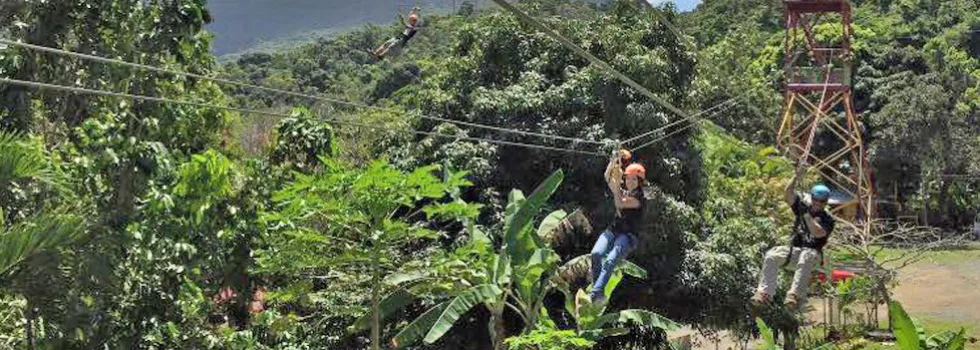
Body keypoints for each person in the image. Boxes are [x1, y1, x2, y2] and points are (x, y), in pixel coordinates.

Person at [752, 166, 835, 311]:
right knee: (772, 255)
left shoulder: (828, 219)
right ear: (812, 197)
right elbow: (788, 194)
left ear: (825, 202)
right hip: (795, 252)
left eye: (821, 201)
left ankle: (794, 295)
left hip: (813, 257)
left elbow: (818, 233)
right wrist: (796, 176)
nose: (817, 203)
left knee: (807, 255)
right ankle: (765, 293)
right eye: (815, 199)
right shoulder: (803, 207)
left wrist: (807, 216)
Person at [589, 154, 647, 306]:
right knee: (596, 254)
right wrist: (613, 162)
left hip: (627, 236)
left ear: (640, 182)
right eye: (628, 178)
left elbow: (620, 203)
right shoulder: (623, 191)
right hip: (613, 231)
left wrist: (616, 188)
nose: (630, 181)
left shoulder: (640, 198)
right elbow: (607, 177)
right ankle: (599, 291)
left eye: (634, 179)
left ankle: (595, 294)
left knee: (610, 261)